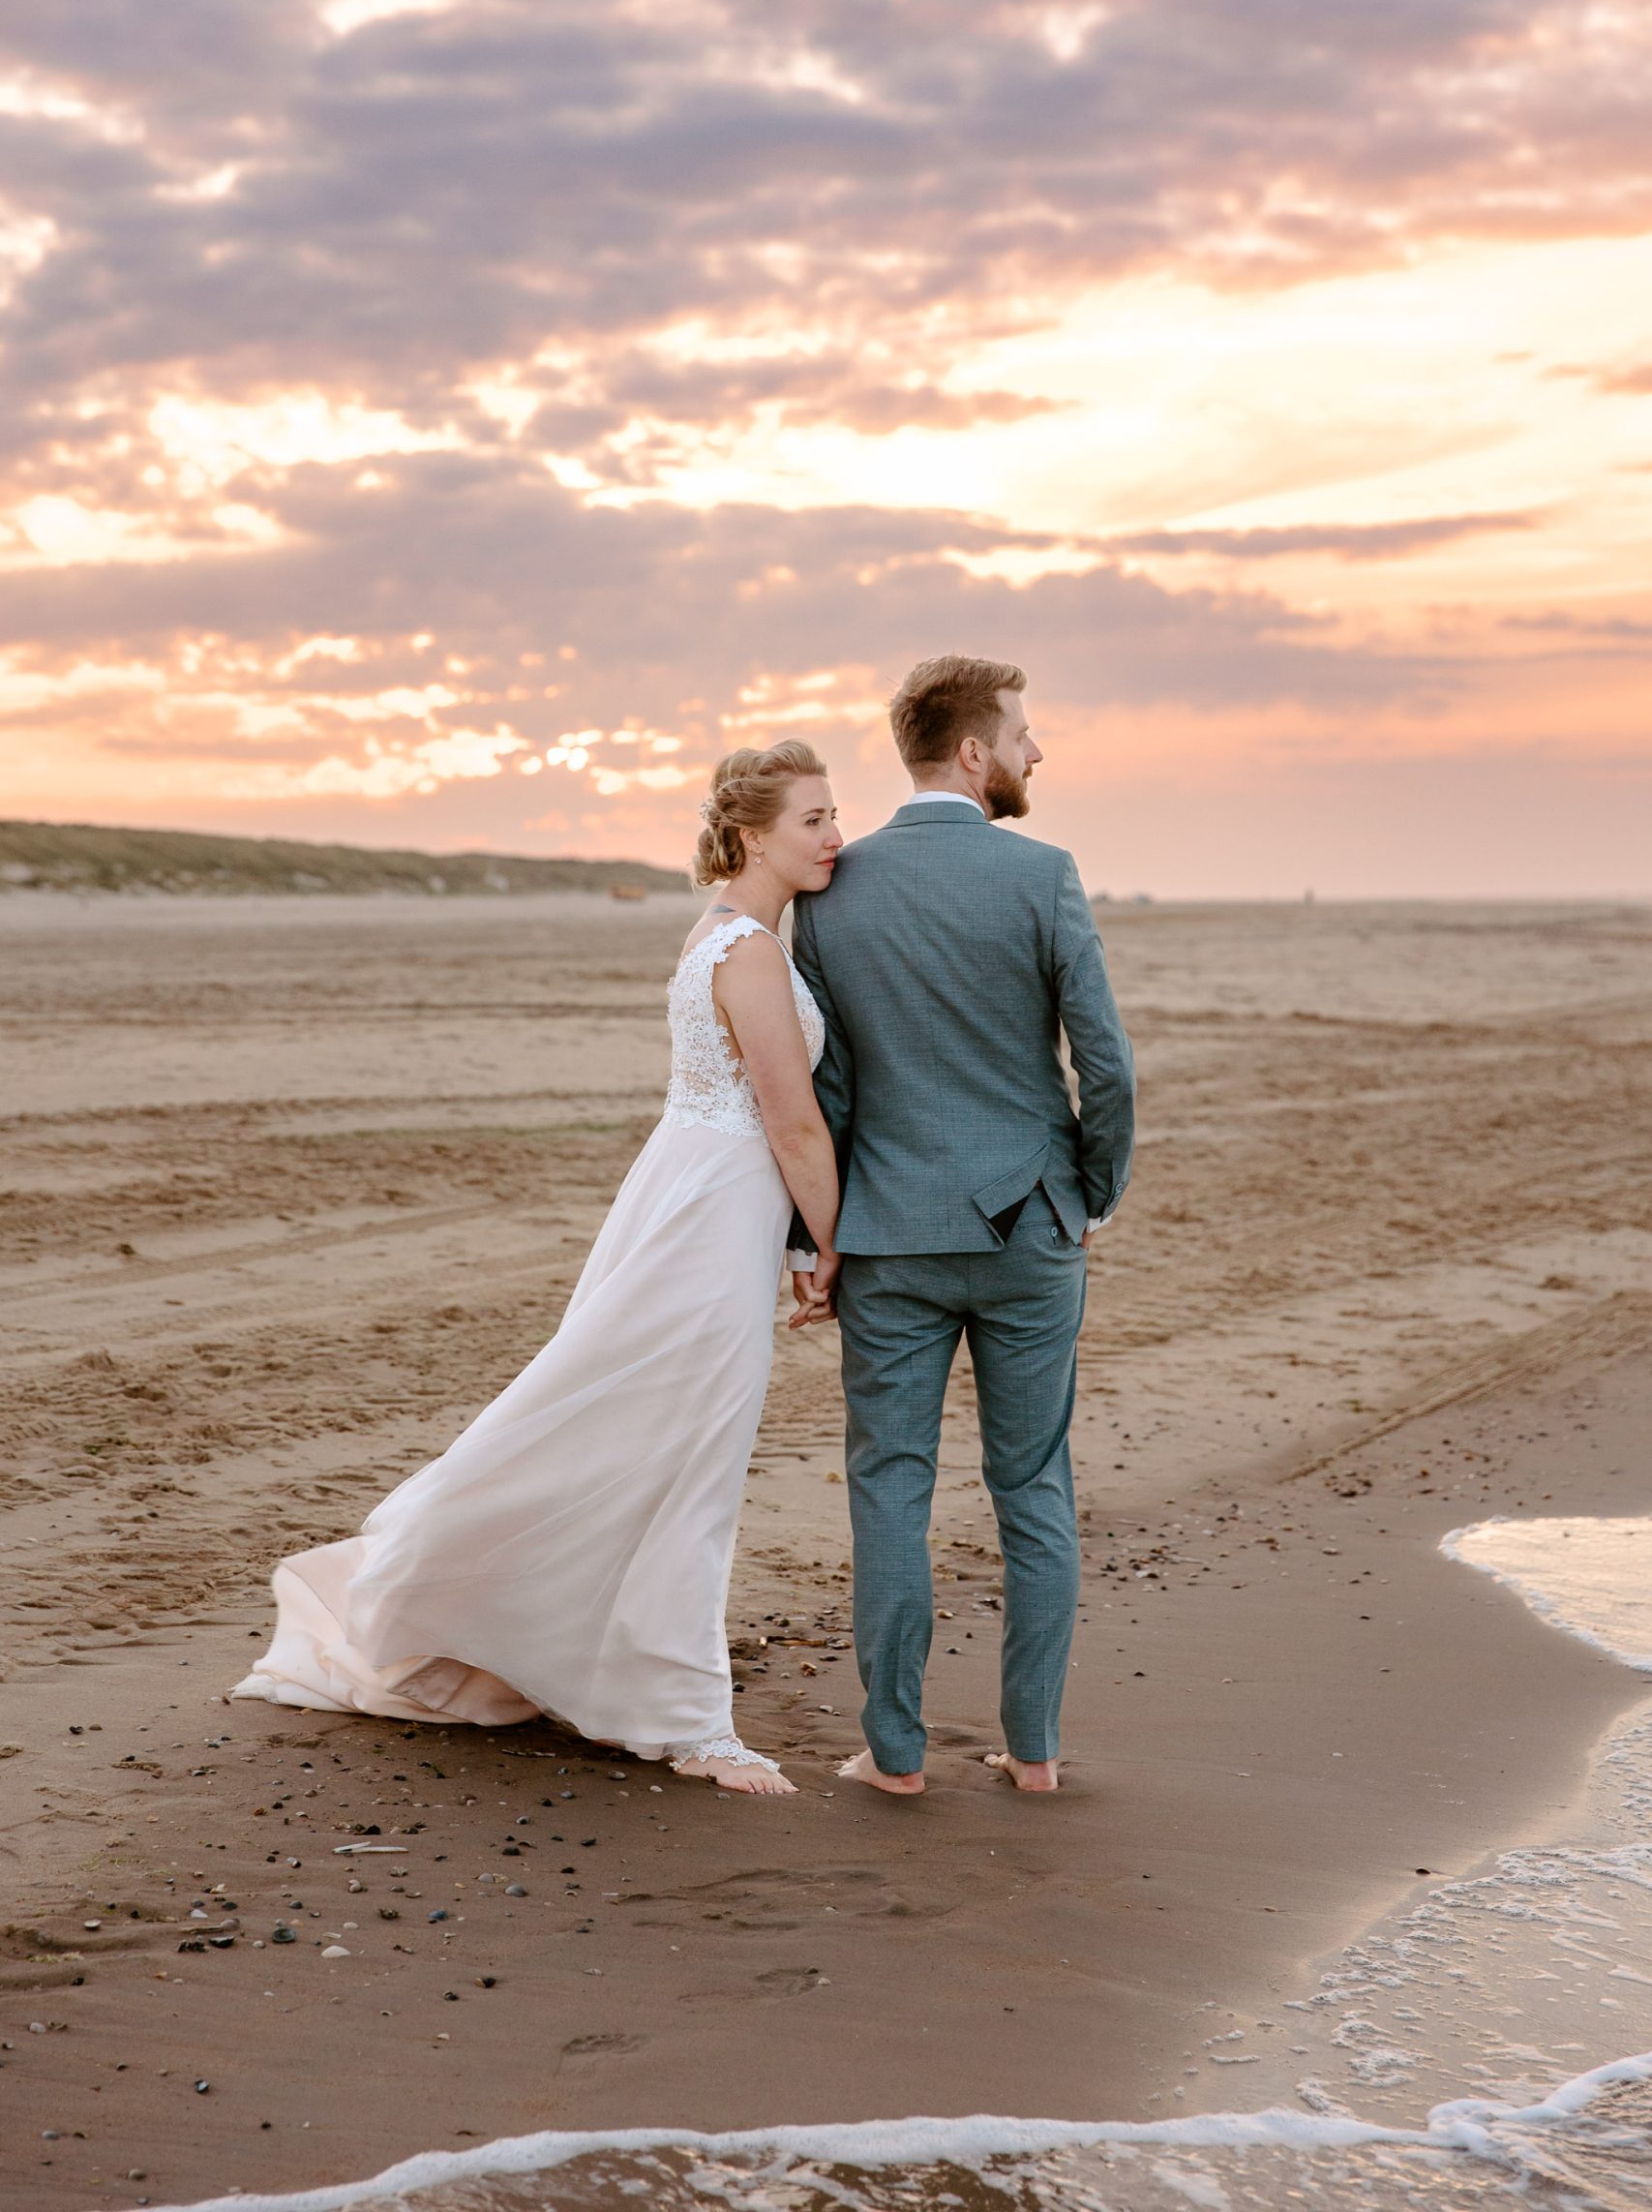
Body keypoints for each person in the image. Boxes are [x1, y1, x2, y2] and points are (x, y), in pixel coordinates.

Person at [233, 740, 844, 1797]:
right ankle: (684, 1717)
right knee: (688, 1450)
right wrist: (831, 1244)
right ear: (753, 835)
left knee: (636, 1428)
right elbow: (793, 1123)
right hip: (712, 1213)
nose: (837, 836)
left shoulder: (720, 934)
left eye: (837, 814)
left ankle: (589, 1658)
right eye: (814, 820)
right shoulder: (748, 952)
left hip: (693, 1193)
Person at [788, 655, 1134, 1797]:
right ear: (974, 751)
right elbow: (1108, 1067)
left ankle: (893, 1757)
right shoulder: (1042, 875)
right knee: (1032, 1482)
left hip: (889, 1235)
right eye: (1025, 734)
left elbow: (827, 1091)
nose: (1039, 753)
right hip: (1031, 1227)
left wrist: (816, 1237)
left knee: (890, 1483)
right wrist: (1091, 1192)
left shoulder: (835, 888)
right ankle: (1033, 1751)